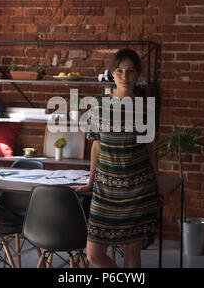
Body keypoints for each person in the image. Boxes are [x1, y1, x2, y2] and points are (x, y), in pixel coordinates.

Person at [72, 48, 168, 268]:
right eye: (120, 71)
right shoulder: (98, 106)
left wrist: (158, 183)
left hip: (138, 189)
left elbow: (150, 149)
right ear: (112, 74)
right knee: (94, 255)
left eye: (131, 71)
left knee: (132, 255)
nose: (125, 77)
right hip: (104, 191)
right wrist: (90, 181)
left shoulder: (146, 109)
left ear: (138, 75)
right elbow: (96, 145)